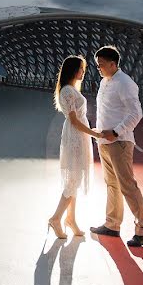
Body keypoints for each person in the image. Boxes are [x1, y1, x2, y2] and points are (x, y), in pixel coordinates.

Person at [90, 45, 143, 247]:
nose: (98, 68)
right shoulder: (104, 82)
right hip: (105, 142)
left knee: (127, 185)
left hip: (120, 142)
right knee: (112, 184)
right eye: (97, 65)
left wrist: (116, 131)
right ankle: (112, 224)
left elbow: (136, 113)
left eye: (101, 64)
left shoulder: (125, 83)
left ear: (112, 63)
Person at [47, 55, 104, 239]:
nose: (83, 72)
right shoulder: (67, 91)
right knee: (73, 180)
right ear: (73, 70)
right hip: (75, 137)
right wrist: (94, 134)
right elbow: (74, 121)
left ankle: (71, 219)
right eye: (81, 69)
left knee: (75, 180)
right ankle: (56, 218)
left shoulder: (70, 89)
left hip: (79, 136)